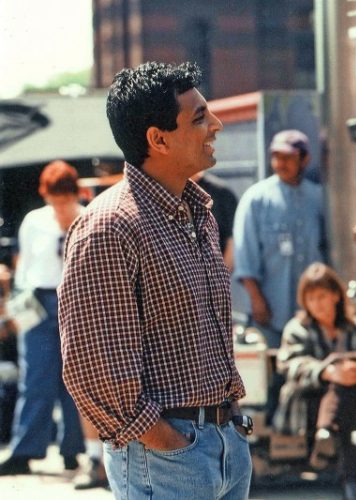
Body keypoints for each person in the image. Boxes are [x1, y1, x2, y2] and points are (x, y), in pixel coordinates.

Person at [58, 62, 252, 500]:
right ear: (158, 139)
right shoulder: (109, 226)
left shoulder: (198, 212)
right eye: (199, 117)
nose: (216, 125)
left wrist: (229, 424)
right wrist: (167, 442)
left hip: (224, 444)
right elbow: (92, 365)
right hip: (167, 459)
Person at [0, 160, 85, 475]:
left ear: (75, 194)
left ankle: (73, 448)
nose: (59, 206)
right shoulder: (34, 221)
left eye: (65, 199)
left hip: (75, 302)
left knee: (76, 379)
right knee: (35, 376)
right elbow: (23, 266)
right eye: (54, 200)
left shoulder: (88, 217)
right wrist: (15, 310)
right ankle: (25, 450)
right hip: (37, 299)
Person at [274, 262, 356, 500]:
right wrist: (328, 372)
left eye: (322, 296)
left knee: (348, 392)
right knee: (341, 388)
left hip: (351, 399)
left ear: (336, 295)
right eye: (311, 299)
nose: (317, 304)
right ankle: (350, 478)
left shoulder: (355, 328)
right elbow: (290, 365)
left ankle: (328, 434)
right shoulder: (297, 329)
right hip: (307, 400)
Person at [233, 129, 328, 349]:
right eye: (276, 157)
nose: (280, 163)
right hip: (271, 312)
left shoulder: (318, 198)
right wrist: (256, 300)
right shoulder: (256, 199)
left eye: (288, 157)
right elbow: (245, 256)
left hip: (314, 314)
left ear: (305, 159)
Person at [191, 170, 238, 269]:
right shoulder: (166, 191)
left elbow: (232, 242)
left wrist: (222, 275)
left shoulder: (222, 193)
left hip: (215, 271)